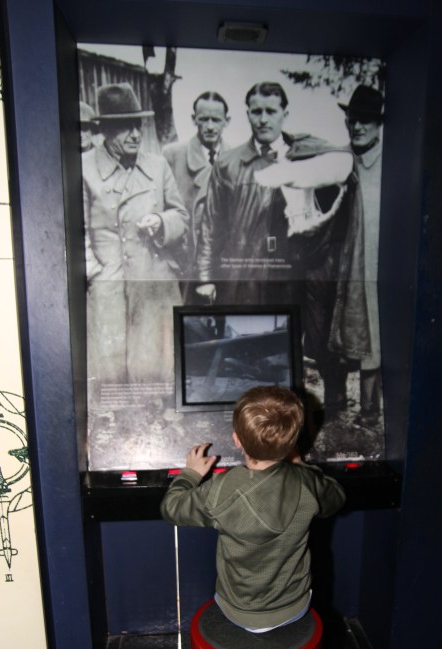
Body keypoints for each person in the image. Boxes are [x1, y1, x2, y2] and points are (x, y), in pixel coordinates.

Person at [160, 386, 346, 632]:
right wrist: (300, 466)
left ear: (237, 439)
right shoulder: (307, 483)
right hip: (293, 605)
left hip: (236, 609)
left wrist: (190, 474)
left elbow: (171, 508)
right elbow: (337, 497)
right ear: (293, 441)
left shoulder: (220, 489)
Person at [195, 81, 350, 306]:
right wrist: (205, 278)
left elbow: (342, 168)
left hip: (292, 275)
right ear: (248, 114)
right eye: (257, 112)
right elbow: (211, 225)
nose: (263, 119)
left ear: (284, 114)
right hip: (243, 276)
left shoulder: (306, 156)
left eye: (271, 111)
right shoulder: (227, 164)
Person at [82, 82, 189, 387]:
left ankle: (160, 404)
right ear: (105, 130)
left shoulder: (157, 165)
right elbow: (77, 231)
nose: (135, 134)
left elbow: (181, 215)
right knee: (111, 364)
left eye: (138, 125)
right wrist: (94, 272)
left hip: (154, 277)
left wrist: (161, 221)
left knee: (158, 361)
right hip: (110, 281)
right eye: (124, 127)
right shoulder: (84, 168)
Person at [338, 85, 384, 427]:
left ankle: (370, 411)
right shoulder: (339, 160)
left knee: (374, 328)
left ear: (379, 123)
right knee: (341, 326)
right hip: (341, 259)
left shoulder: (390, 162)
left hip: (376, 260)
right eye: (353, 120)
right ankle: (336, 403)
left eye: (365, 120)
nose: (357, 127)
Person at [163, 91, 230, 271]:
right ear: (194, 120)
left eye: (216, 120)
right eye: (204, 119)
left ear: (227, 121)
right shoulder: (172, 155)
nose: (210, 126)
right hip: (184, 260)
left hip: (223, 261)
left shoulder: (236, 160)